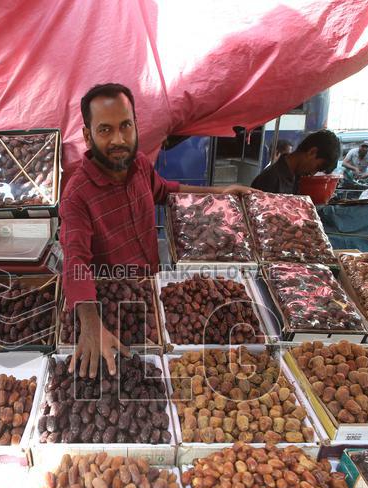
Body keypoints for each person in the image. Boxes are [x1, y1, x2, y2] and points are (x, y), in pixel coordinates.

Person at [61, 83, 255, 378]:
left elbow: (165, 191)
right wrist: (89, 324)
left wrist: (220, 192)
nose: (118, 139)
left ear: (136, 125)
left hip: (153, 291)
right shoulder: (77, 194)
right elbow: (76, 261)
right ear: (87, 136)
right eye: (105, 130)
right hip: (115, 303)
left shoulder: (138, 164)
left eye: (125, 125)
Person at [250, 129, 340, 194]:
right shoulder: (271, 179)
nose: (313, 174)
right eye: (317, 167)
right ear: (312, 152)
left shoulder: (296, 177)